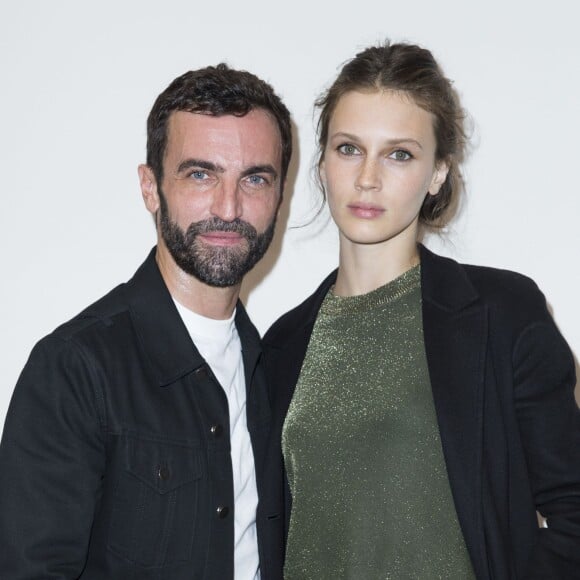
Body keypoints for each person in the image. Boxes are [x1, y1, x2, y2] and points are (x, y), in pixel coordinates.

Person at [263, 42, 580, 579]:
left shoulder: (502, 316)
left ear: (437, 173)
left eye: (400, 154)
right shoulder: (281, 345)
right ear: (321, 163)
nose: (368, 178)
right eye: (348, 148)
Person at [0, 63, 291, 579]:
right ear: (151, 187)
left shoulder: (276, 371)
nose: (228, 206)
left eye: (254, 178)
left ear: (279, 197)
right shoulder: (74, 370)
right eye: (200, 174)